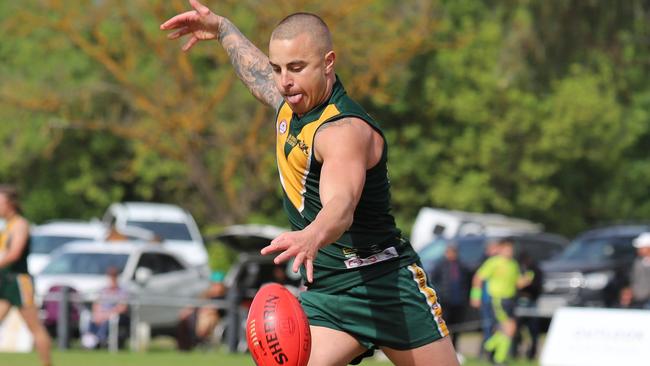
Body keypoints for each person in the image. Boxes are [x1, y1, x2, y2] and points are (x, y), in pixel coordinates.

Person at [160, 2, 459, 365]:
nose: (284, 80)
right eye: (279, 68)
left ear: (328, 63)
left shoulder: (343, 131)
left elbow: (342, 207)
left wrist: (311, 236)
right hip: (331, 291)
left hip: (387, 286)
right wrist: (222, 28)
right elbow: (256, 72)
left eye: (297, 68)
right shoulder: (291, 104)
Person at [0, 185, 52, 366]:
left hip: (19, 282)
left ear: (10, 203)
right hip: (5, 282)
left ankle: (47, 364)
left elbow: (14, 254)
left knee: (35, 328)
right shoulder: (7, 226)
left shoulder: (20, 224)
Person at [470, 238, 532, 365]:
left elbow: (517, 283)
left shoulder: (513, 264)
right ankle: (496, 355)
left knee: (507, 330)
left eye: (511, 249)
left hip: (510, 300)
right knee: (510, 327)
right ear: (501, 249)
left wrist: (526, 280)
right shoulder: (493, 262)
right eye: (507, 249)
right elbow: (478, 278)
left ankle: (491, 351)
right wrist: (475, 296)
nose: (510, 252)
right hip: (498, 300)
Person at [429, 243, 471, 349]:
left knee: (457, 325)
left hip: (458, 301)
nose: (452, 255)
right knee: (445, 325)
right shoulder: (440, 265)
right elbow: (433, 281)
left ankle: (455, 348)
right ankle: (445, 348)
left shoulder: (462, 266)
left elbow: (467, 282)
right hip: (445, 301)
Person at [82, 266, 129, 349]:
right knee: (91, 320)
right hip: (100, 316)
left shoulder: (121, 292)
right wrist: (98, 314)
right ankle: (89, 341)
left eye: (114, 276)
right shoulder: (103, 290)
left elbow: (122, 307)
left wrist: (106, 315)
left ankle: (99, 341)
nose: (111, 279)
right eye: (110, 276)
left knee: (107, 322)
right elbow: (96, 304)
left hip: (111, 316)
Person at [510, 251, 543, 360]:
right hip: (521, 302)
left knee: (532, 331)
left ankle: (531, 353)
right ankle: (514, 352)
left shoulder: (534, 270)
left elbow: (536, 286)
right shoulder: (517, 269)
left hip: (530, 302)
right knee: (516, 330)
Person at [620, 232, 650, 309]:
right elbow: (634, 280)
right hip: (638, 301)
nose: (638, 250)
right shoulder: (638, 262)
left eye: (641, 247)